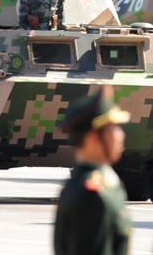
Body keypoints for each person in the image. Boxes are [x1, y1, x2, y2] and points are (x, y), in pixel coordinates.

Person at [53, 85, 132, 255]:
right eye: (113, 128)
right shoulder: (93, 194)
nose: (120, 135)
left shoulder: (95, 184)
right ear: (94, 137)